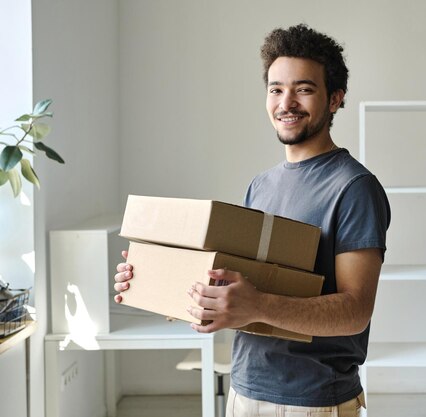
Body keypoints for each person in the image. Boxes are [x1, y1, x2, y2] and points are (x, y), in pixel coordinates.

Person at [114, 23, 390, 417]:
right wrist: (154, 282)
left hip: (313, 401)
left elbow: (355, 311)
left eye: (304, 89)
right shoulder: (261, 185)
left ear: (335, 99)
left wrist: (258, 305)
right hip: (245, 391)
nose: (286, 102)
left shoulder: (354, 188)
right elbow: (239, 290)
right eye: (276, 89)